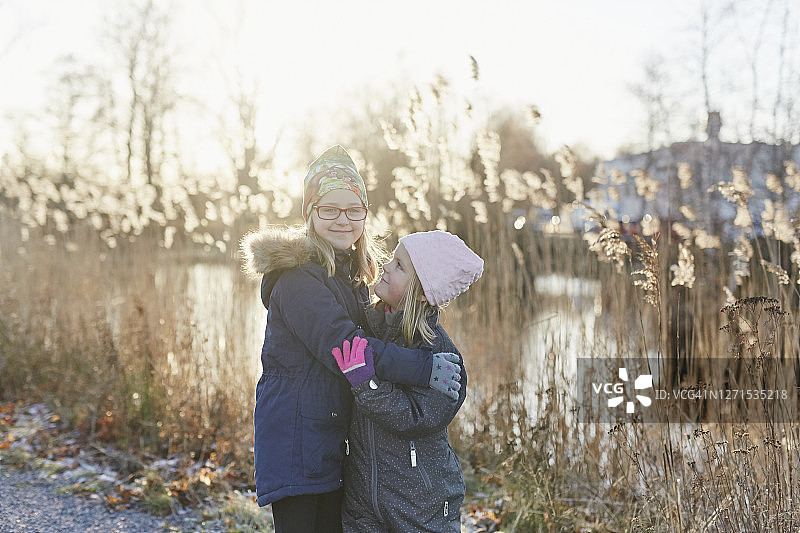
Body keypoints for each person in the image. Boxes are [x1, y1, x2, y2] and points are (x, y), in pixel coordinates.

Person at [240, 146, 462, 533]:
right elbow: (348, 348)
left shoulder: (350, 275)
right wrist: (424, 368)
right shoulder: (298, 280)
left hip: (330, 443)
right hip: (298, 443)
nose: (343, 219)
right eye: (329, 209)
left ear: (364, 214)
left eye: (353, 209)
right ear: (310, 214)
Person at [331, 230, 484, 532]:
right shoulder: (367, 327)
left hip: (419, 506)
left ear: (424, 292)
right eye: (392, 259)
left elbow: (417, 418)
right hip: (364, 501)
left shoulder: (439, 355)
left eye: (399, 266)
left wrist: (367, 386)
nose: (386, 266)